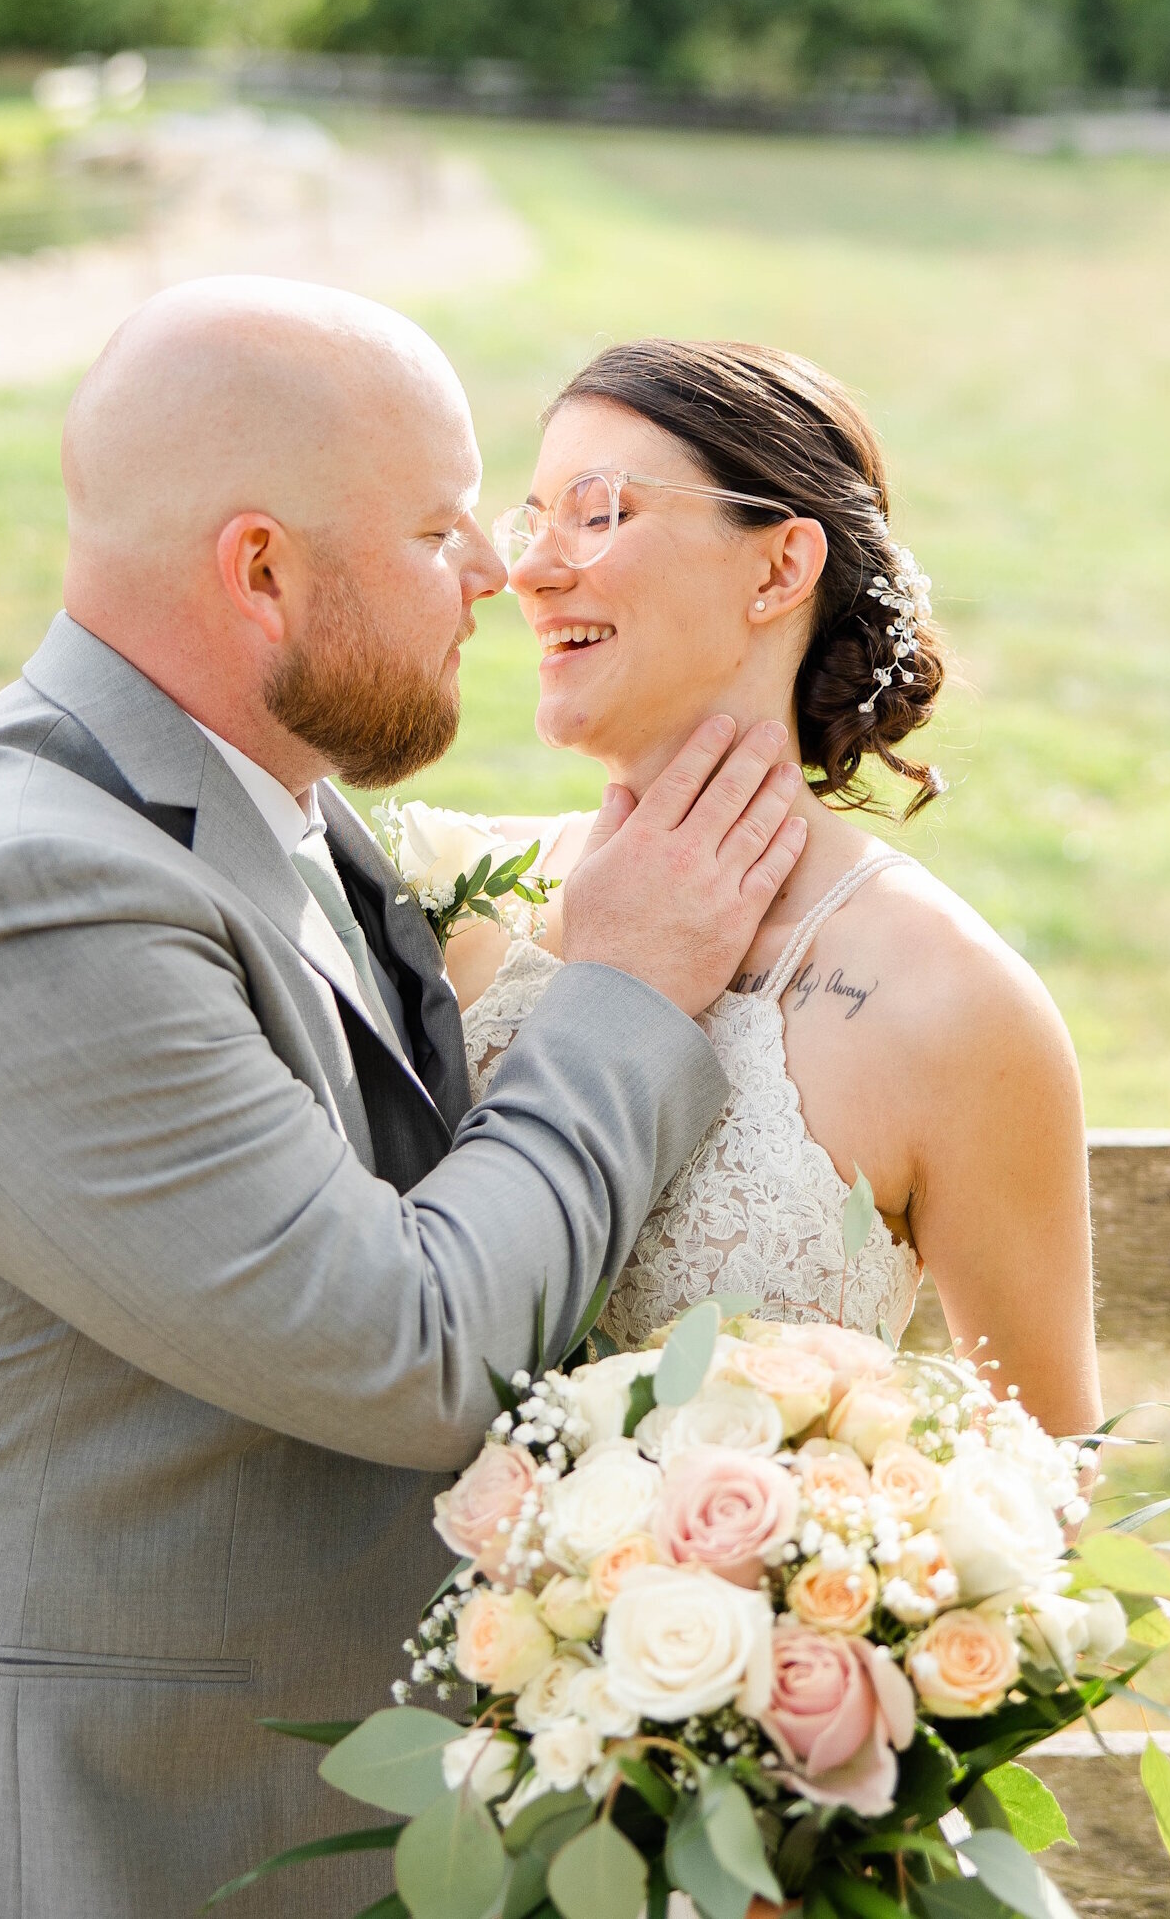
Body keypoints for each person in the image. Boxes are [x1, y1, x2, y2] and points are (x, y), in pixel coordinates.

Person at [0, 282, 807, 1919]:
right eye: (440, 529)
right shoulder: (30, 901)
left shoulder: (246, 801)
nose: (500, 572)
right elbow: (411, 1349)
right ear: (259, 571)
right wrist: (623, 992)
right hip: (54, 1848)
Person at [453, 338, 1099, 1436]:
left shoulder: (953, 1005)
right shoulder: (458, 911)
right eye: (534, 517)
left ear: (779, 568)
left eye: (600, 510)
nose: (529, 570)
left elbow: (1046, 1478)